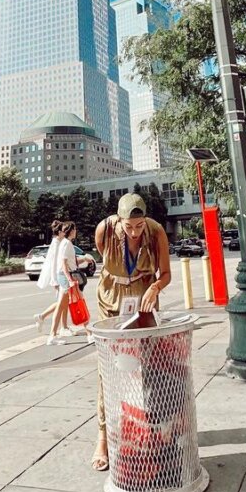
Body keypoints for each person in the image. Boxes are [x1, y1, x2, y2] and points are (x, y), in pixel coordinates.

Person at [90, 192, 171, 471]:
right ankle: (103, 436)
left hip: (144, 299)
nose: (135, 231)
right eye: (129, 226)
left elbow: (166, 273)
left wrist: (155, 287)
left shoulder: (156, 231)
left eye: (139, 225)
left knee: (148, 366)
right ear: (120, 220)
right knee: (109, 369)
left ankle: (147, 426)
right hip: (112, 300)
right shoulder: (105, 230)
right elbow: (104, 259)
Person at [45, 221, 83, 346]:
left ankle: (56, 332)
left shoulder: (66, 243)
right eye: (75, 229)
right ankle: (52, 335)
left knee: (61, 306)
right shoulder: (66, 244)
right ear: (71, 231)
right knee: (62, 305)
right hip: (65, 277)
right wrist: (70, 279)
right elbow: (63, 263)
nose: (76, 231)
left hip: (65, 276)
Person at [34, 221, 64, 334]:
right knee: (62, 302)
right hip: (58, 277)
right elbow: (54, 262)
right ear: (60, 232)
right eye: (63, 231)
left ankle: (62, 327)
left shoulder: (58, 242)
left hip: (59, 277)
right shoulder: (56, 243)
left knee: (63, 302)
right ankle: (42, 317)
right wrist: (55, 280)